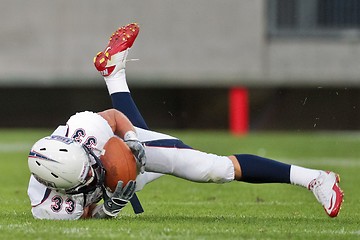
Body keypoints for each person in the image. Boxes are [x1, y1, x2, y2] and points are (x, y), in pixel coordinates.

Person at [27, 23, 344, 220]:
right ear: (58, 188)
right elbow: (85, 218)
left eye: (89, 164)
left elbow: (113, 117)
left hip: (119, 145)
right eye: (85, 177)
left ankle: (315, 178)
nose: (95, 169)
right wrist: (107, 210)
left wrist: (133, 143)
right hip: (116, 188)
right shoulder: (47, 207)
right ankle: (114, 74)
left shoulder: (83, 130)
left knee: (215, 168)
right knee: (182, 164)